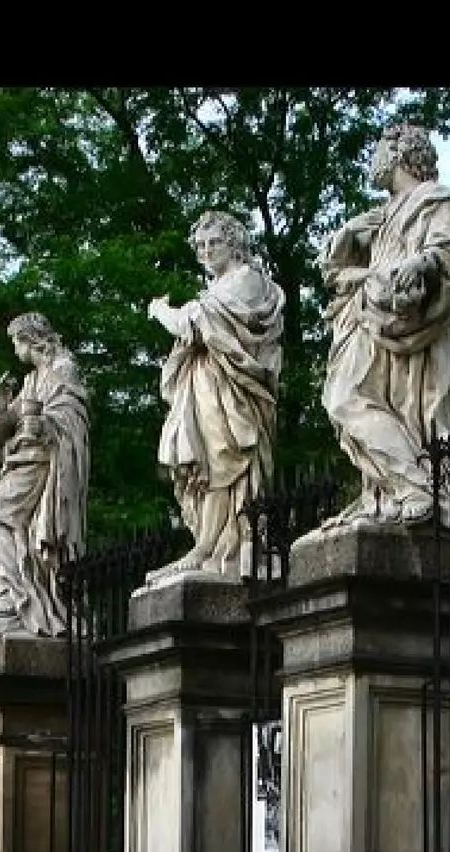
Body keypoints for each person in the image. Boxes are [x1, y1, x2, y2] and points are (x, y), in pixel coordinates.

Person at [317, 123, 450, 530]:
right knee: (346, 401)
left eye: (377, 151)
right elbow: (334, 272)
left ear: (399, 154)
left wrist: (422, 263)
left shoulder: (436, 201)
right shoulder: (380, 217)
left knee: (346, 400)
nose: (372, 161)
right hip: (368, 316)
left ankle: (414, 485)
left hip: (404, 320)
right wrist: (350, 234)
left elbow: (448, 255)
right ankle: (387, 490)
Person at [145, 211, 286, 583]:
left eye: (214, 242)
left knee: (225, 459)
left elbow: (196, 323)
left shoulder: (247, 280)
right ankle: (208, 543)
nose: (206, 251)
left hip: (233, 391)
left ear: (235, 244)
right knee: (206, 465)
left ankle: (218, 546)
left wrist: (160, 310)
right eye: (201, 246)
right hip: (208, 383)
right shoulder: (221, 287)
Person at [0, 313, 91, 638]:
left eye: (16, 342)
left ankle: (20, 599)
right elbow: (1, 427)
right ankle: (12, 601)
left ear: (30, 339)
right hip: (22, 459)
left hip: (43, 460)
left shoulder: (63, 369)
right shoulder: (31, 381)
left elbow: (73, 417)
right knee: (7, 527)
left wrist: (47, 424)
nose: (14, 349)